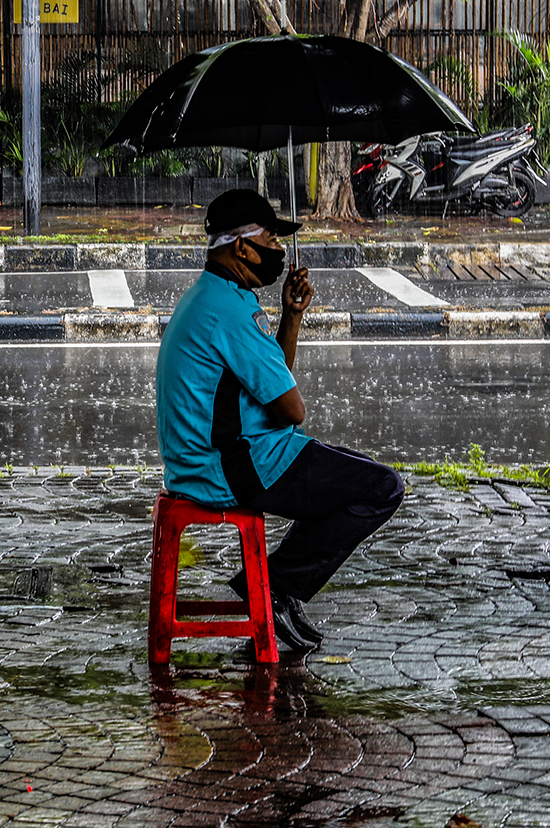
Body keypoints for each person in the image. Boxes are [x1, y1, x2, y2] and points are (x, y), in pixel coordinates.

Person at [156, 188, 405, 652]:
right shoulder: (231, 313)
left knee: (356, 474)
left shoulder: (213, 296)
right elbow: (292, 409)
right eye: (270, 240)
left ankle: (277, 587)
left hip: (210, 460)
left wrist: (291, 316)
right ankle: (271, 586)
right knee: (382, 488)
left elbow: (273, 381)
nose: (278, 250)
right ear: (241, 247)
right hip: (231, 467)